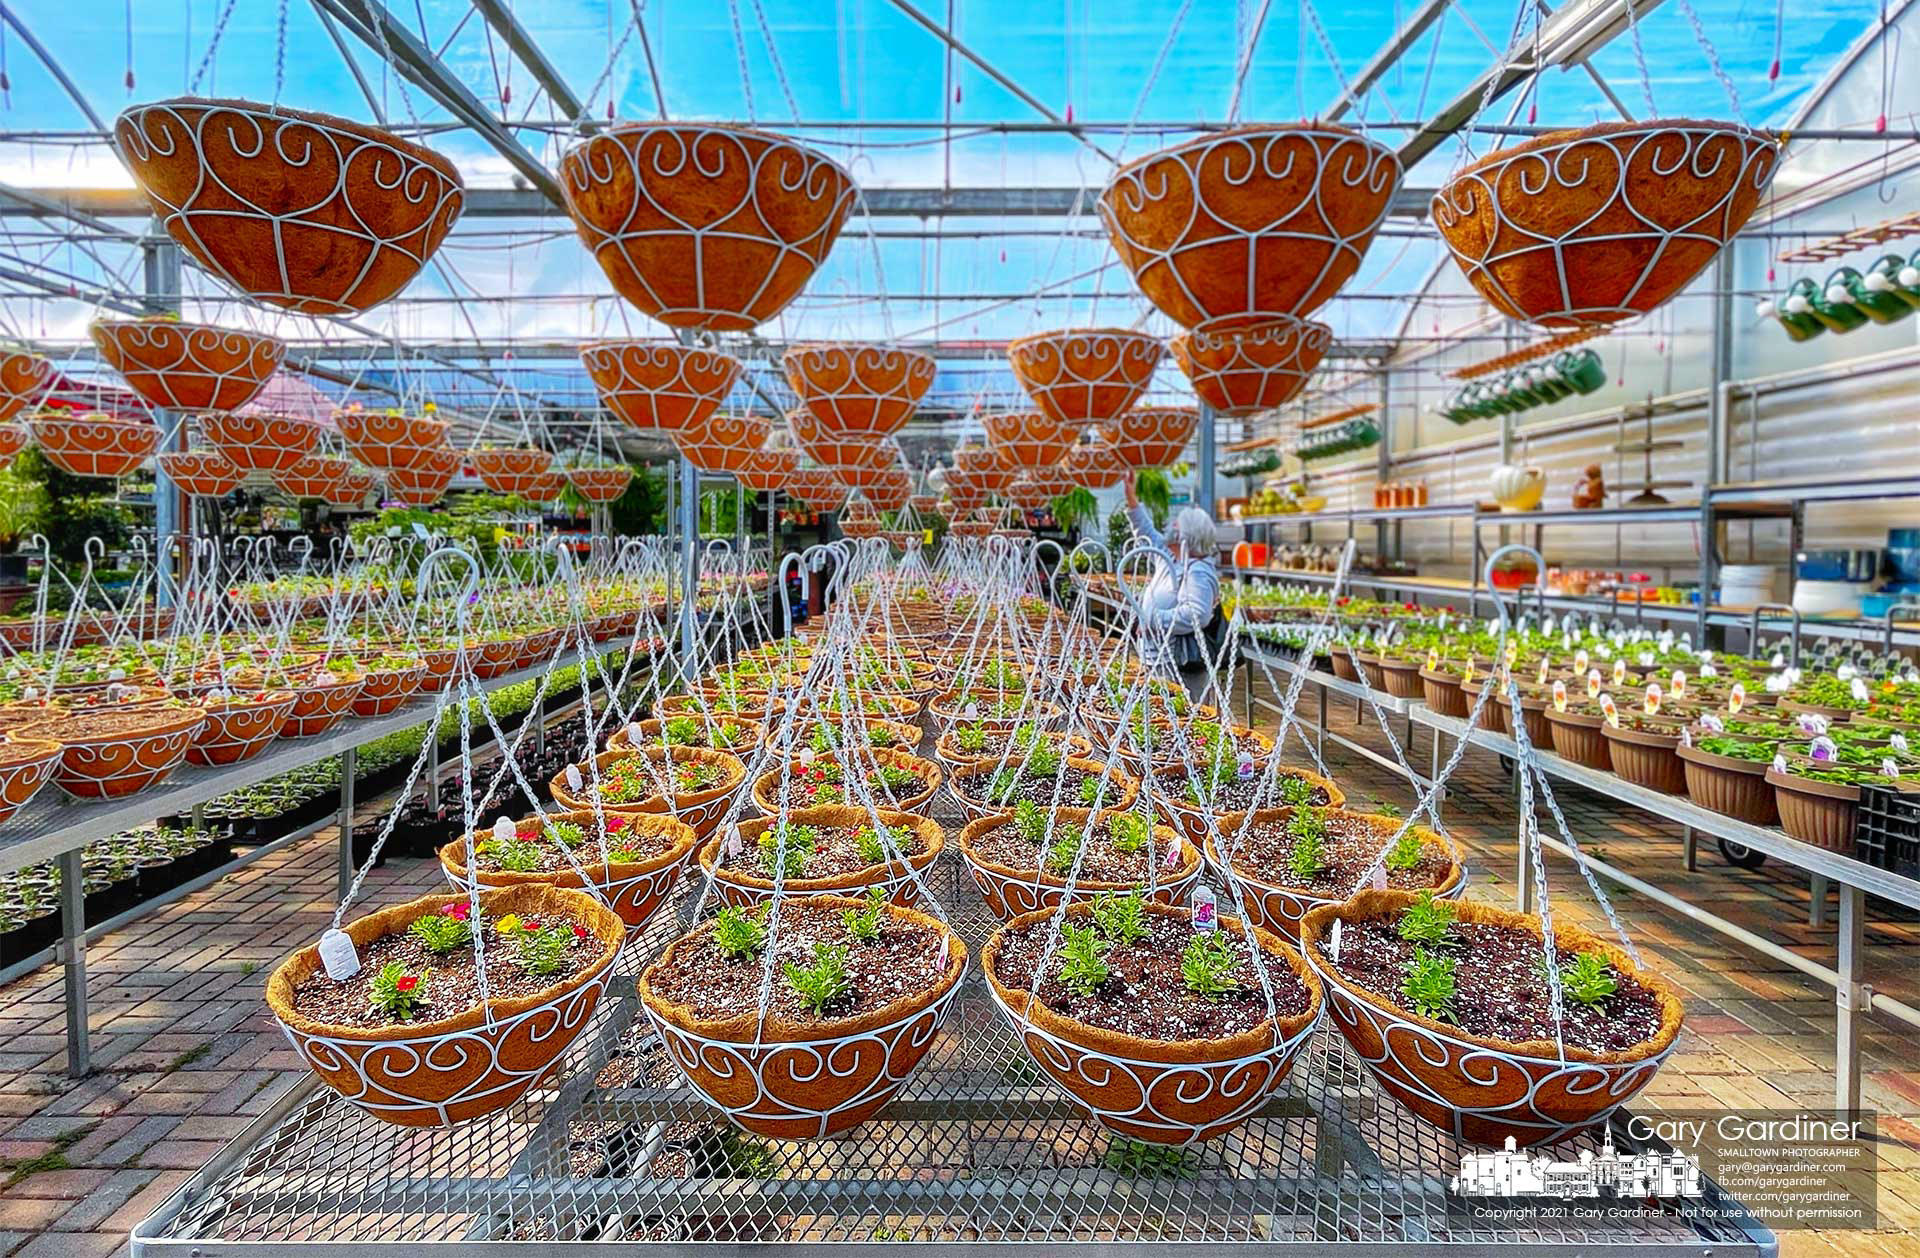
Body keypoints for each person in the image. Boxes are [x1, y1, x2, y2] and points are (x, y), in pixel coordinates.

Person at [1121, 477, 1222, 689]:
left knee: (1182, 713)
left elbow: (1197, 615)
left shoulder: (1197, 571)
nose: (1172, 524)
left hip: (1178, 663)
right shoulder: (1170, 558)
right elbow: (1145, 532)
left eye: (1178, 524)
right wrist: (1130, 497)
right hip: (1157, 656)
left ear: (1188, 535)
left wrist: (1152, 619)